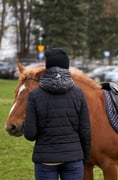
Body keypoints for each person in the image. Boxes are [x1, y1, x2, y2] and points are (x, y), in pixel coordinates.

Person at [24, 48, 91, 180]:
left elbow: (30, 134)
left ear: (47, 67)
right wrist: (85, 158)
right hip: (74, 158)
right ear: (67, 67)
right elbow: (85, 131)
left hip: (46, 159)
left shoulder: (34, 95)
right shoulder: (78, 93)